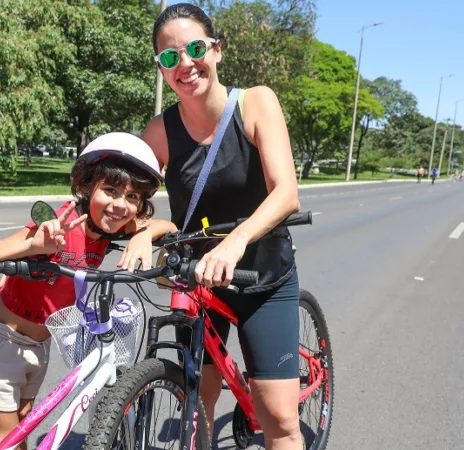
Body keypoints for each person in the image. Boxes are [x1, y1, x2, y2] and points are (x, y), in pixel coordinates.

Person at [142, 4, 303, 449]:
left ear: (216, 50)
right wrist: (143, 231)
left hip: (261, 276)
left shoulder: (256, 102)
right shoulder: (159, 132)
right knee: (197, 405)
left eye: (195, 49)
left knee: (279, 419)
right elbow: (127, 198)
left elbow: (286, 193)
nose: (185, 64)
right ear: (161, 68)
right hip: (200, 281)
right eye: (170, 57)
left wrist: (235, 241)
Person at [0, 132, 177, 450]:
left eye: (132, 196)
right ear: (87, 187)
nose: (120, 205)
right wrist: (34, 244)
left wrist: (143, 236)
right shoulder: (61, 225)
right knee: (4, 438)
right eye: (110, 191)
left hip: (38, 343)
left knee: (23, 423)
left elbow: (169, 227)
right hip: (2, 339)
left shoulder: (111, 223)